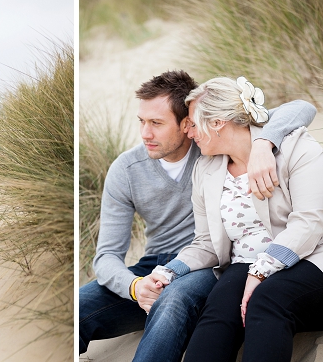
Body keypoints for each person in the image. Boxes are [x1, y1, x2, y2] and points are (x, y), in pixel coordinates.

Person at [78, 70, 317, 361]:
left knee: (175, 300)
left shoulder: (214, 148)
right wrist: (135, 285)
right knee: (76, 308)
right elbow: (106, 257)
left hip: (212, 268)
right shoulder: (132, 169)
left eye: (156, 123)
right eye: (141, 121)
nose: (145, 134)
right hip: (161, 265)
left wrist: (264, 144)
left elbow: (300, 108)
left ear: (186, 123)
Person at [150, 76, 323, 362]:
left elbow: (310, 223)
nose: (188, 132)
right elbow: (206, 242)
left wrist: (260, 272)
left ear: (218, 122)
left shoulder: (297, 148)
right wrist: (170, 271)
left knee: (267, 299)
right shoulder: (205, 170)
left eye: (192, 123)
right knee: (216, 316)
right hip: (243, 264)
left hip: (308, 257)